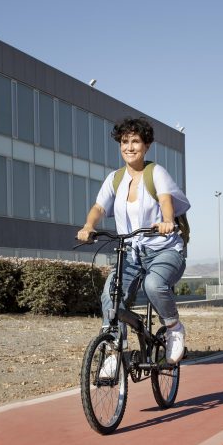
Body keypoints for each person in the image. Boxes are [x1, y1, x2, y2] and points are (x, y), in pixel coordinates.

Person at [77, 117, 190, 372]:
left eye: (136, 141)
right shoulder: (115, 179)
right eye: (125, 141)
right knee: (111, 296)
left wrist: (168, 221)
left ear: (146, 145)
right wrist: (88, 226)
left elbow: (165, 200)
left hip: (164, 250)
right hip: (130, 253)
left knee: (154, 284)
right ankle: (114, 351)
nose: (130, 147)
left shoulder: (156, 173)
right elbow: (98, 207)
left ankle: (173, 328)